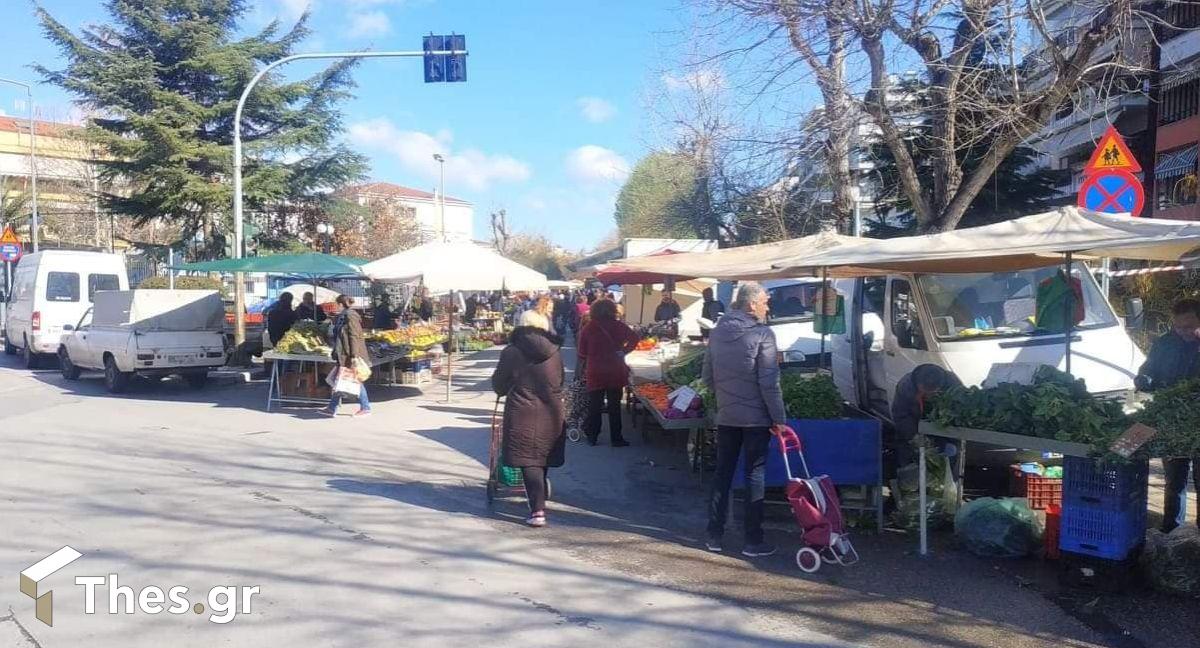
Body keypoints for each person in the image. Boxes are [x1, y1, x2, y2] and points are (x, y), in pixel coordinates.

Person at [702, 282, 786, 558]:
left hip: (726, 416)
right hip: (756, 420)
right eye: (765, 301)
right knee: (754, 475)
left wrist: (727, 398)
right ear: (751, 304)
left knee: (722, 474)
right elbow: (769, 383)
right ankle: (753, 540)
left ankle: (714, 534)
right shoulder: (763, 334)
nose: (767, 306)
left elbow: (707, 378)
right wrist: (779, 419)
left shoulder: (716, 333)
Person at [491, 309, 566, 527]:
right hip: (552, 412)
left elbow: (499, 385)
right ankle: (539, 495)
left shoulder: (511, 352)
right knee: (542, 456)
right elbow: (560, 381)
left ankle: (537, 510)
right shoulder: (556, 351)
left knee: (527, 460)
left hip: (521, 412)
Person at [1136, 299, 1200, 532]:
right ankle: (1172, 533)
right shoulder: (1164, 344)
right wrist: (1144, 379)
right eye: (1179, 327)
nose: (1183, 331)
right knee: (1175, 481)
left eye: (1189, 326)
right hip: (1172, 423)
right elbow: (1149, 369)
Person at [577, 299, 639, 447]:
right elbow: (635, 338)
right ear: (613, 310)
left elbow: (582, 353)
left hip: (595, 370)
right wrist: (623, 351)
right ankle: (616, 438)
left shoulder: (589, 328)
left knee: (595, 405)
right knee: (614, 406)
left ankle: (593, 436)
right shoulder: (619, 326)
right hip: (615, 369)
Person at [891, 364, 962, 467]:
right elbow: (900, 415)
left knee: (946, 462)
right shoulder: (906, 386)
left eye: (933, 392)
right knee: (909, 461)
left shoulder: (953, 384)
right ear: (918, 384)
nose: (928, 395)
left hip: (943, 432)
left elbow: (959, 412)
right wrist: (914, 437)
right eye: (925, 391)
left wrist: (949, 435)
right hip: (913, 428)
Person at [322, 295, 371, 417]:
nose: (335, 306)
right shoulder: (343, 315)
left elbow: (354, 336)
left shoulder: (350, 315)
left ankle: (365, 407)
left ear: (340, 304)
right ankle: (332, 408)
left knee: (354, 380)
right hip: (343, 353)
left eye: (336, 304)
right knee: (340, 380)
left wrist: (354, 355)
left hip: (349, 354)